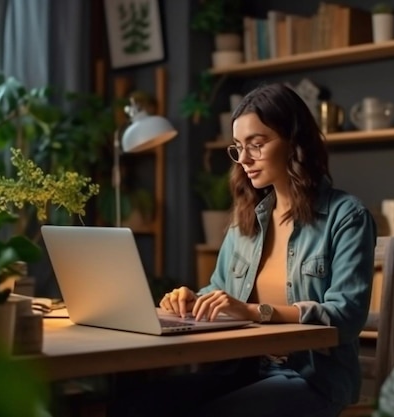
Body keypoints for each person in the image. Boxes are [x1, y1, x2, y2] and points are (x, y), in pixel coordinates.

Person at [108, 83, 376, 417]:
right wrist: (193, 299)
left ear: (295, 142)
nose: (244, 159)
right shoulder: (247, 219)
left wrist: (254, 311)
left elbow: (346, 315)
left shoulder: (347, 215)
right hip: (243, 370)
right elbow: (221, 292)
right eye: (238, 147)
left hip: (312, 379)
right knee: (135, 406)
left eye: (257, 145)